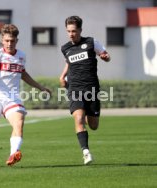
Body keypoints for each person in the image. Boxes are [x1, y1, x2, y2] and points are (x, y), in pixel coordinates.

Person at [0, 24, 51, 166]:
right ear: (2, 40)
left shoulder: (21, 56)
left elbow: (23, 74)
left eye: (12, 41)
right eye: (7, 40)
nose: (9, 43)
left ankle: (14, 153)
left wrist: (40, 87)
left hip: (12, 97)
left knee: (19, 122)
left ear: (16, 41)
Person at [59, 16, 111, 165]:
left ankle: (89, 114)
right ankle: (86, 152)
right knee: (78, 118)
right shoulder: (65, 48)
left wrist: (105, 57)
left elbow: (106, 56)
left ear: (80, 30)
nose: (71, 34)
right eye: (68, 31)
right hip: (74, 88)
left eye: (74, 31)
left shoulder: (91, 42)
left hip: (92, 88)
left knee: (93, 125)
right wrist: (62, 75)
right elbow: (69, 62)